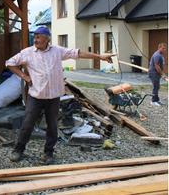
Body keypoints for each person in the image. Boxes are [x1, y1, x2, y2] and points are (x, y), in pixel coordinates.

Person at [6, 26, 114, 164]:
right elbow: (10, 63)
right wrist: (24, 76)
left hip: (53, 97)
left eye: (38, 37)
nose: (35, 40)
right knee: (27, 124)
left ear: (47, 39)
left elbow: (78, 53)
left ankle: (48, 152)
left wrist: (100, 57)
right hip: (36, 97)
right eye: (35, 37)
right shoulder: (28, 53)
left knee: (52, 126)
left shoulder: (57, 51)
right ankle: (18, 149)